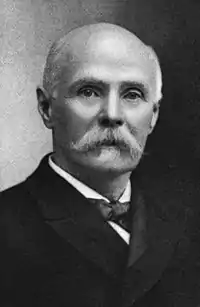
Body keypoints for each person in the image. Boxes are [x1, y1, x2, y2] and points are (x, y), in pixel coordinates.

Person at [0, 22, 199, 307]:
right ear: (46, 109)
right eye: (90, 91)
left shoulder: (189, 223)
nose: (113, 115)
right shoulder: (6, 227)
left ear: (153, 115)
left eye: (132, 94)